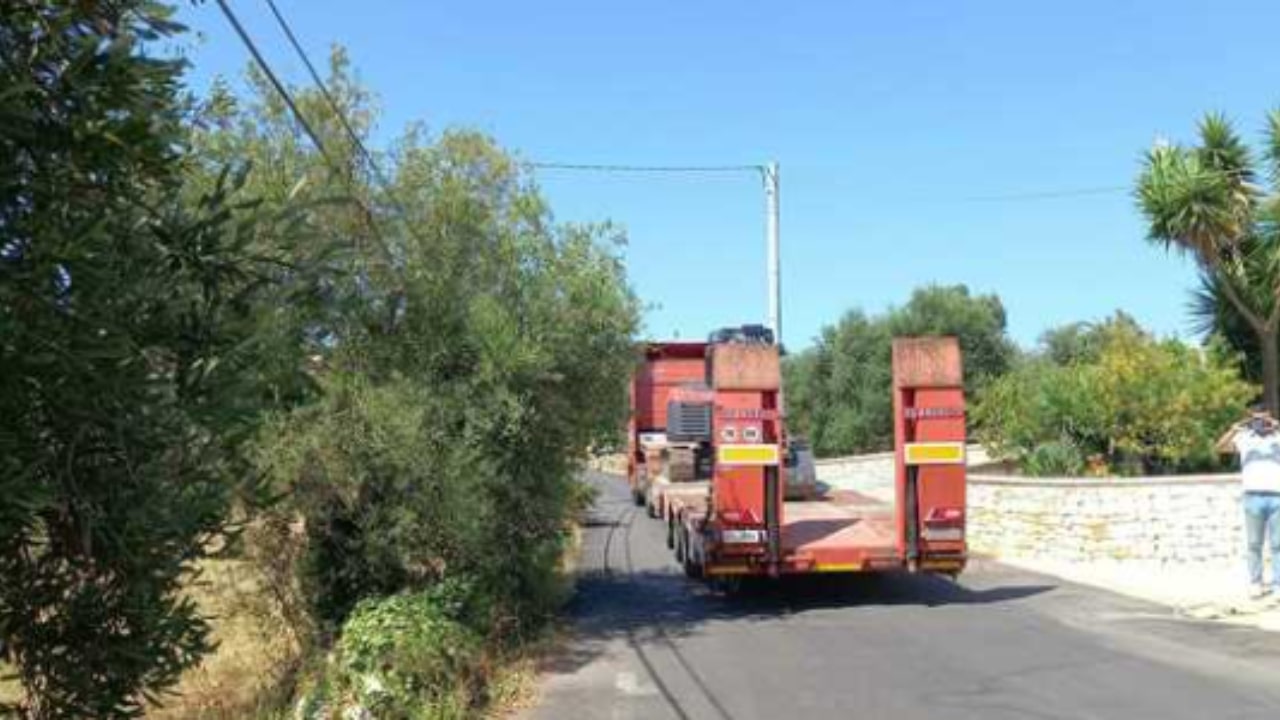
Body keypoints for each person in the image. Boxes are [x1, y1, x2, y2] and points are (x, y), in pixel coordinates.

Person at [1217, 404, 1280, 600]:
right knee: (1254, 544)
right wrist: (1233, 429)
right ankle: (1256, 583)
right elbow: (1220, 448)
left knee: (1278, 544)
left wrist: (1277, 425)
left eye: (1264, 419)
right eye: (1256, 419)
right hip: (1252, 496)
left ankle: (1278, 585)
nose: (1260, 423)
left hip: (1277, 496)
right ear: (1251, 419)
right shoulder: (1244, 438)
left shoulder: (1277, 437)